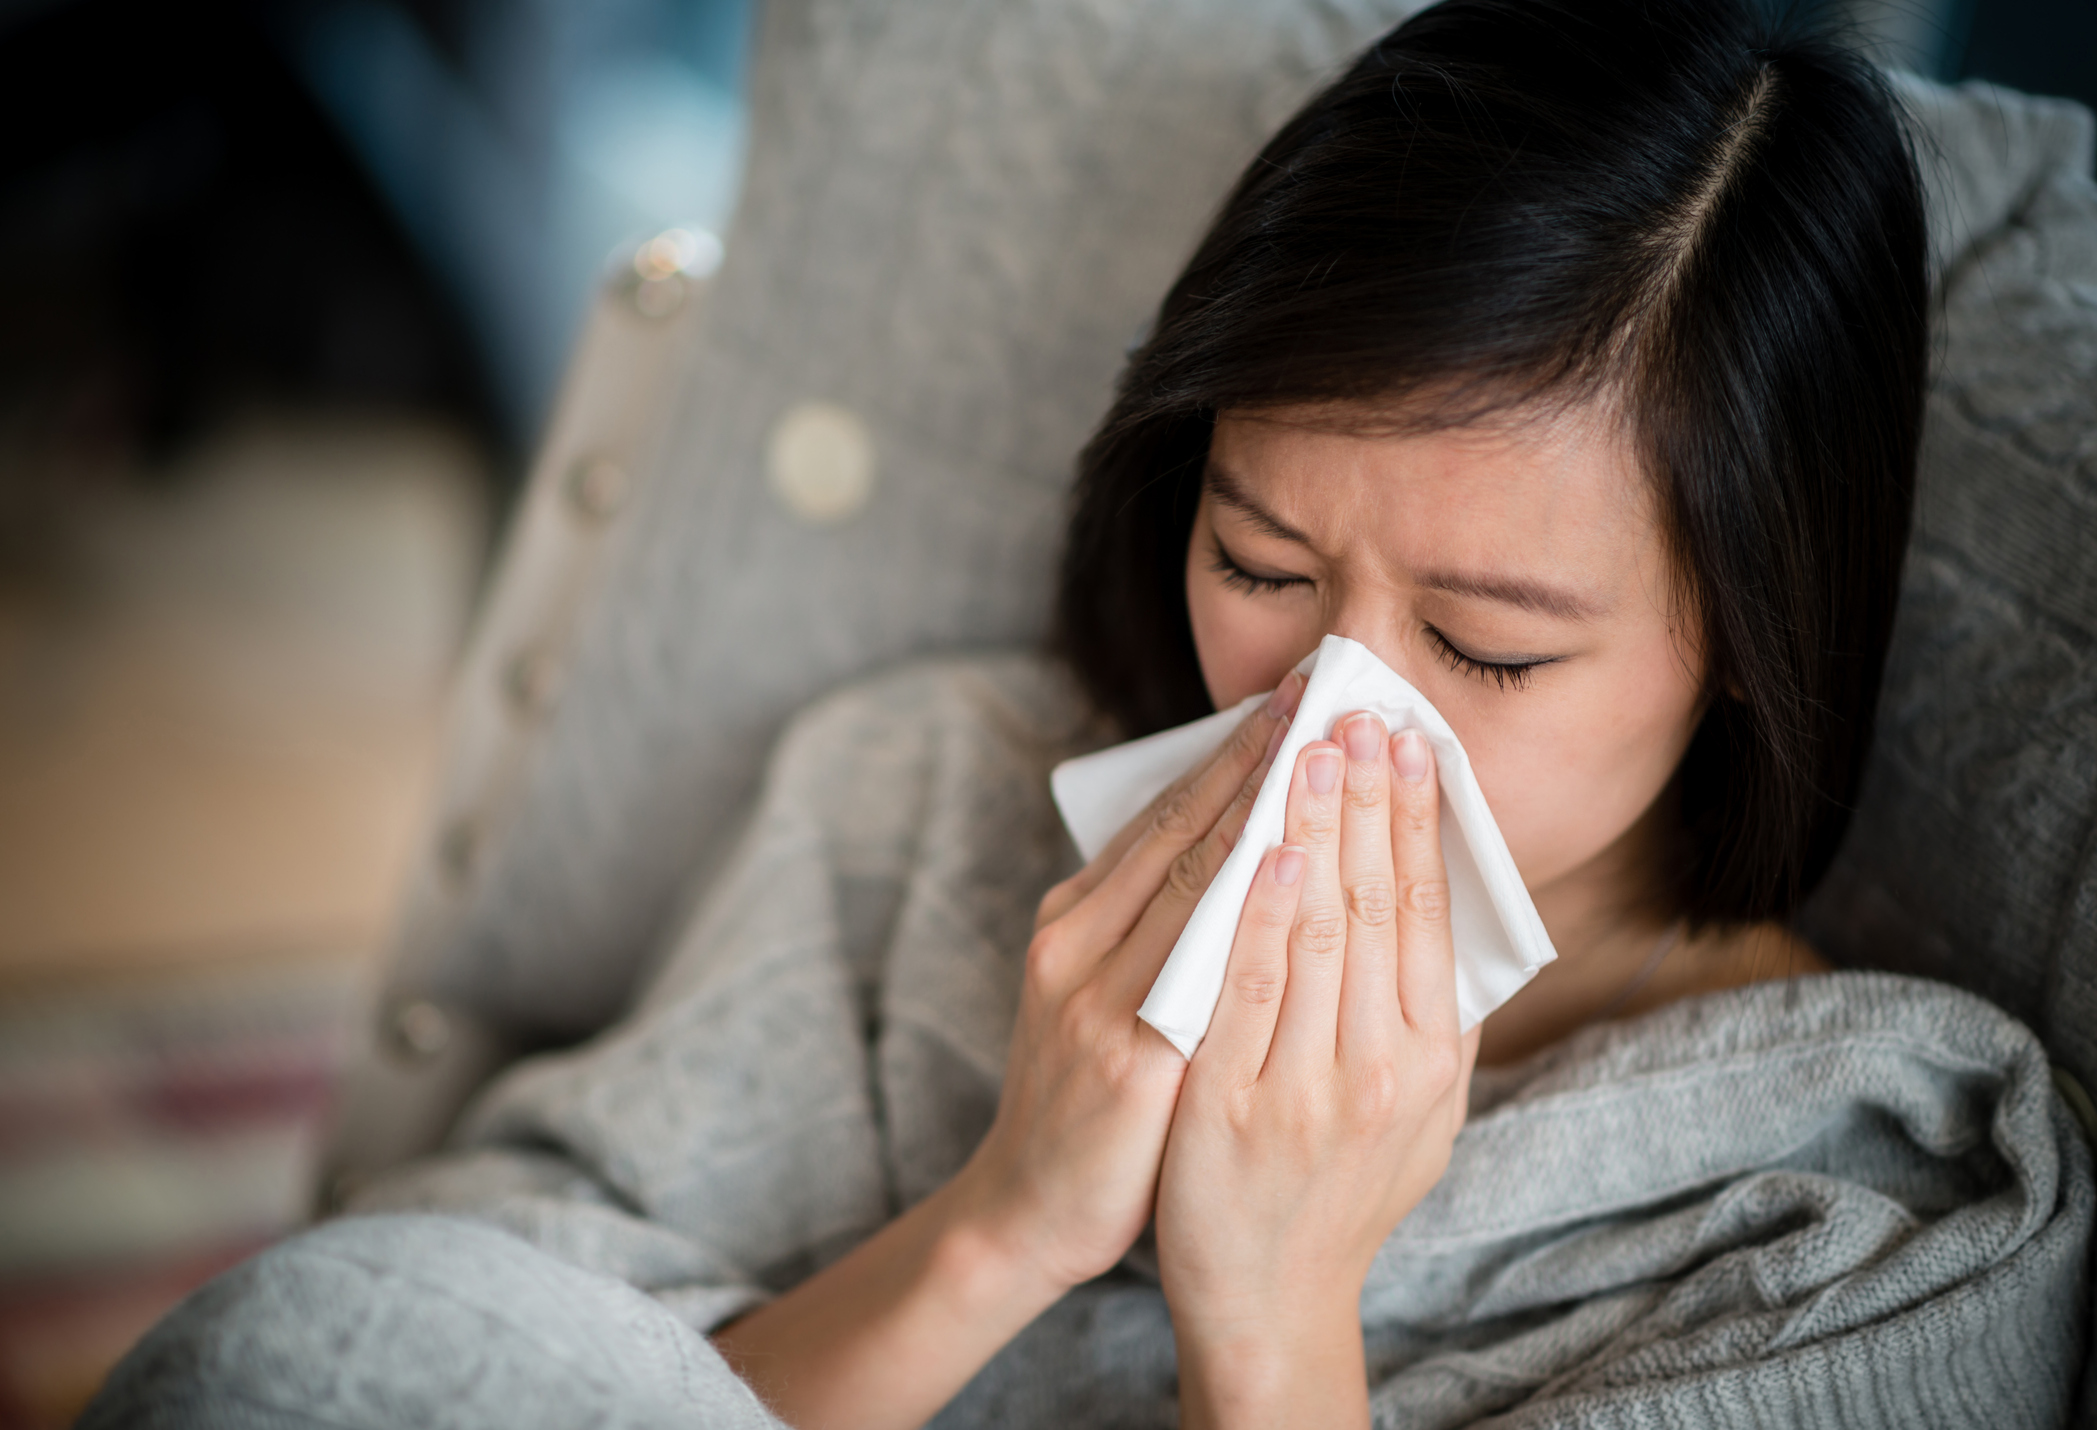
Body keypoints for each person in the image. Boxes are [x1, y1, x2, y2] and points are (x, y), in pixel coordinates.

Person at [86, 0, 2091, 1426]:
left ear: (1746, 634)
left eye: (1485, 645)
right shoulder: (927, 798)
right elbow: (497, 1340)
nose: (1329, 711)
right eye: (1259, 563)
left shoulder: (1876, 1177)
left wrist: (1274, 1310)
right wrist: (999, 1224)